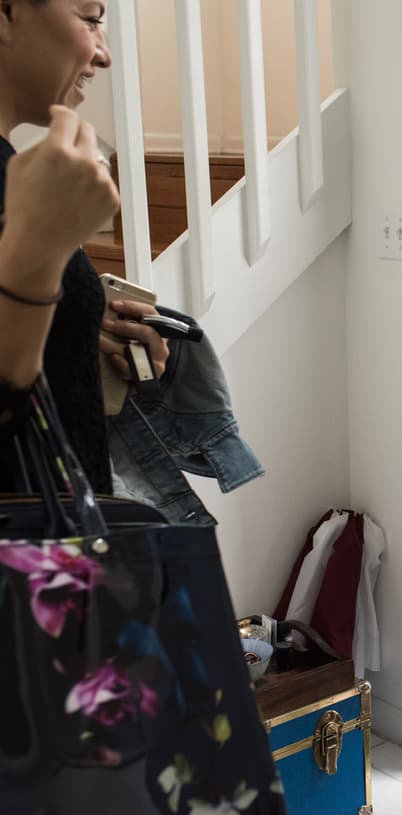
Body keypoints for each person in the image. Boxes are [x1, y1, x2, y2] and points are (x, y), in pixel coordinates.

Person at [0, 0, 169, 495]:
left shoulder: (14, 170)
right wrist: (38, 257)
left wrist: (74, 329)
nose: (104, 55)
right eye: (91, 18)